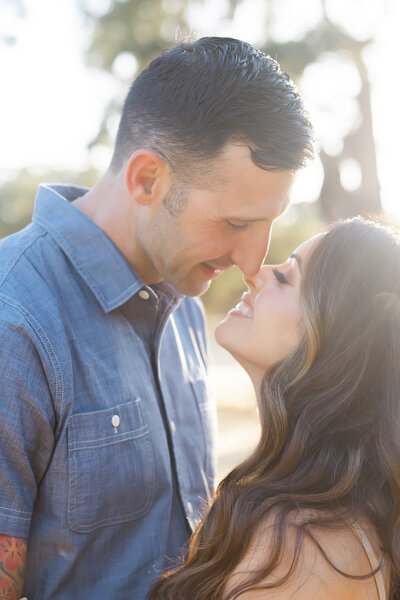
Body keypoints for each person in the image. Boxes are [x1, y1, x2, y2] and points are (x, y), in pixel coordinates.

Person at [0, 37, 313, 599]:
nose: (250, 260)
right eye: (237, 223)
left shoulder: (187, 296)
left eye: (268, 224)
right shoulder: (13, 320)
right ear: (147, 180)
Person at [147, 216, 400, 600]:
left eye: (285, 278)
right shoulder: (312, 513)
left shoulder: (305, 553)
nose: (255, 273)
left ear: (338, 337)